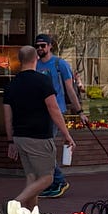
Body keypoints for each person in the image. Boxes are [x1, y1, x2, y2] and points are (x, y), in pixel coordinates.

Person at [4, 44, 74, 209]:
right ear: (36, 58)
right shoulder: (43, 81)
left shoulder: (11, 85)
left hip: (20, 136)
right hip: (39, 136)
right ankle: (14, 204)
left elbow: (8, 116)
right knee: (47, 178)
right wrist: (66, 134)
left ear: (20, 60)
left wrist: (10, 141)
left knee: (32, 177)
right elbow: (53, 108)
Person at [34, 31, 83, 199]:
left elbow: (70, 89)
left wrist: (79, 111)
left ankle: (58, 180)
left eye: (43, 46)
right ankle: (52, 181)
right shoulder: (35, 65)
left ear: (50, 46)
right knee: (42, 147)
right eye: (37, 46)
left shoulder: (59, 64)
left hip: (55, 110)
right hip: (39, 111)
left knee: (46, 147)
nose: (40, 49)